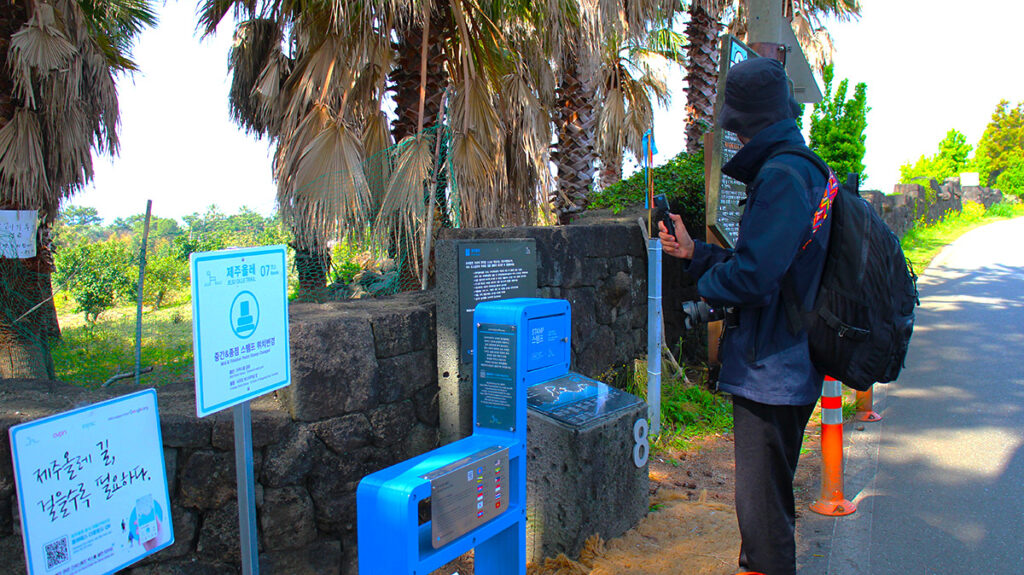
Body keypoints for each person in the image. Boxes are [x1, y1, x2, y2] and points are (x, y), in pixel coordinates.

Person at [658, 57, 832, 575]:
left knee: (763, 519)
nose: (731, 136)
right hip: (789, 358)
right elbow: (772, 264)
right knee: (767, 506)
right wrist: (695, 253)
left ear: (745, 122)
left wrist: (703, 290)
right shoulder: (802, 168)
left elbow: (755, 279)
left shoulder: (781, 176)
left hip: (772, 369)